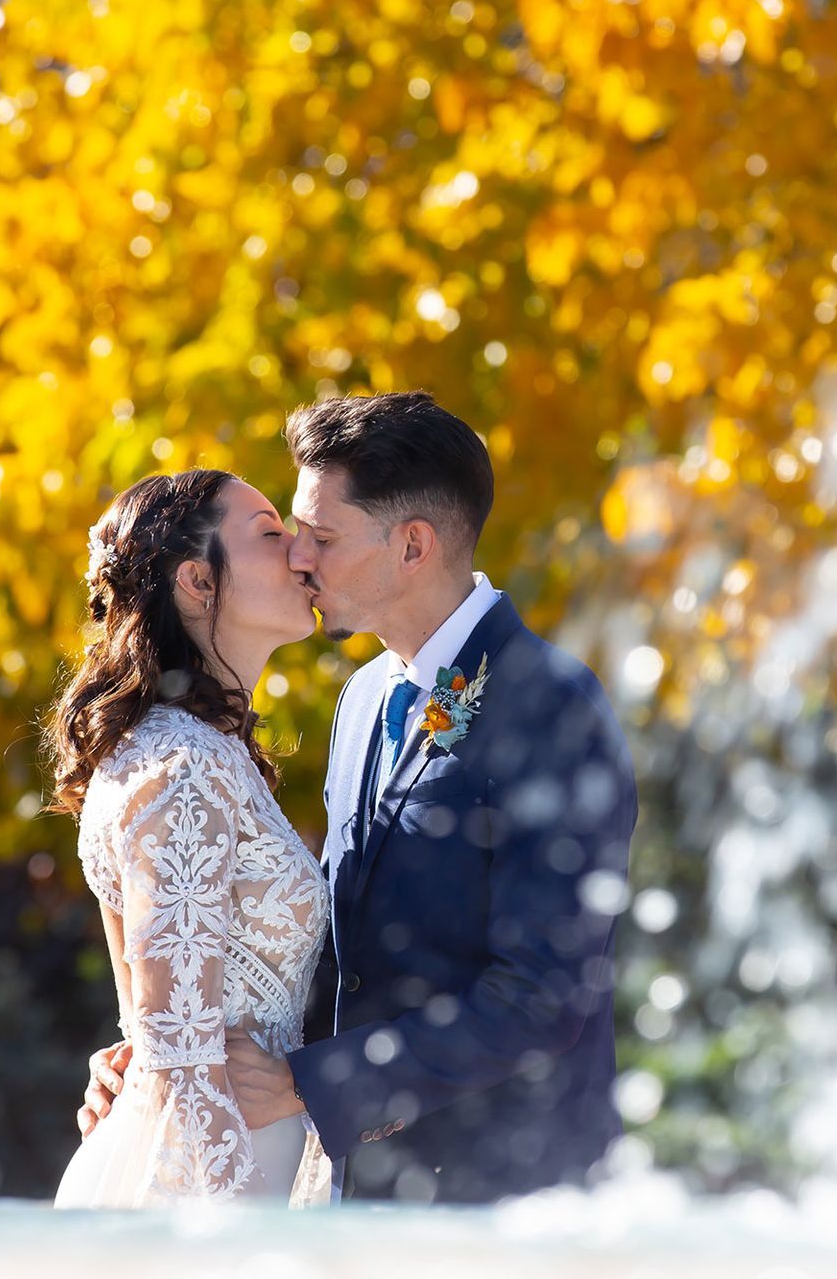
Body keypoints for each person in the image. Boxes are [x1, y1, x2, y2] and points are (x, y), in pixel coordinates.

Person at [81, 392, 640, 1203]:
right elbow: (338, 953)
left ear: (412, 546)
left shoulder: (551, 703)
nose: (299, 558)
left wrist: (317, 1083)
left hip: (512, 1194)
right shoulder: (363, 700)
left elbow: (543, 996)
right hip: (360, 1194)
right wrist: (170, 1043)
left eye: (322, 537)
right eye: (290, 534)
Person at [49, 469, 333, 1206]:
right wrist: (238, 1245)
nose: (302, 551)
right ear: (198, 583)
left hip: (235, 1150)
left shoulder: (187, 752)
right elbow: (178, 1061)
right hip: (207, 1180)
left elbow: (146, 1027)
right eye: (271, 533)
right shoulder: (184, 766)